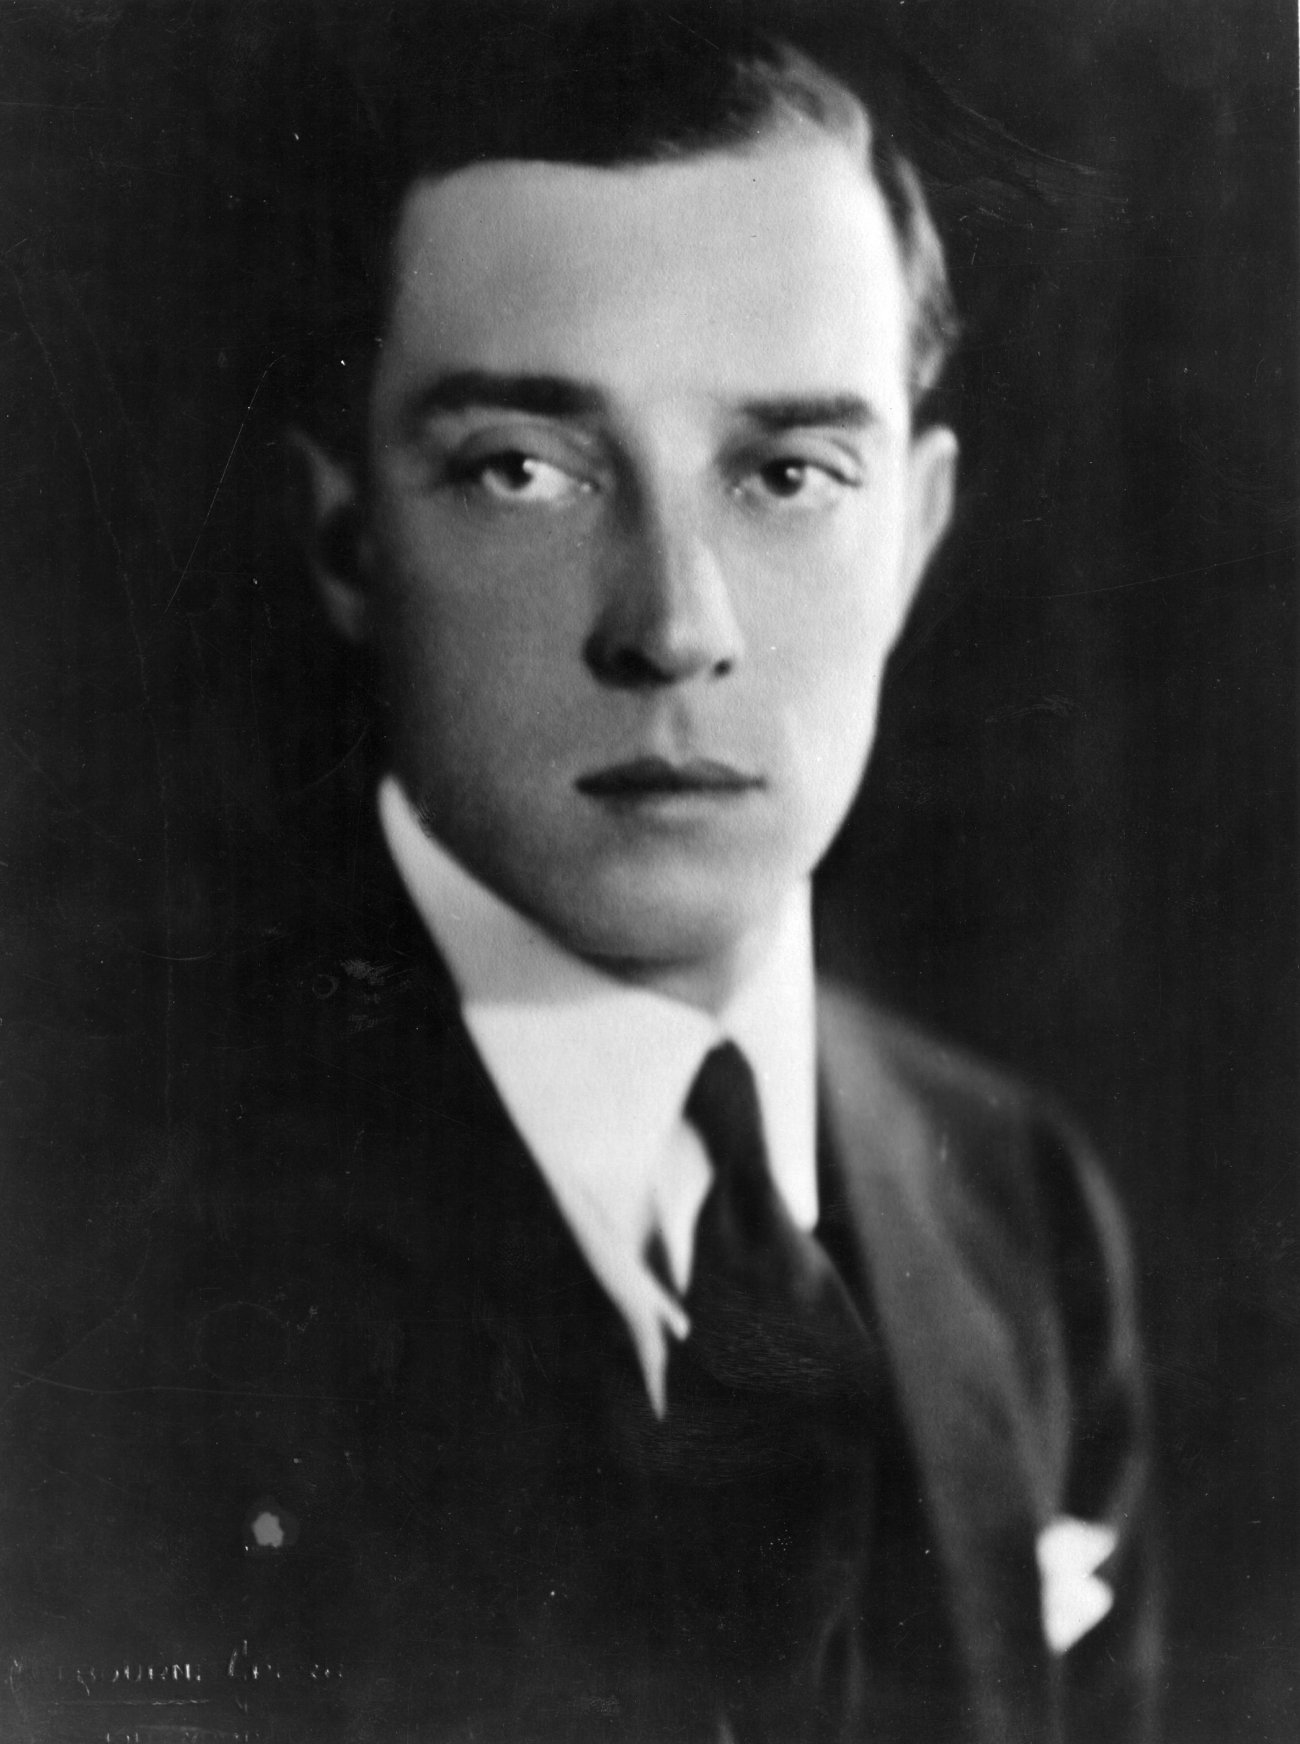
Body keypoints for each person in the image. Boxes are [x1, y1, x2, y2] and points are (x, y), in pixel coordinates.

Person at [0, 5, 1158, 1741]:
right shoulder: (80, 1251)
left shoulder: (1017, 1203)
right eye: (523, 470)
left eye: (789, 473)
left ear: (913, 533)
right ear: (349, 540)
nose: (674, 625)